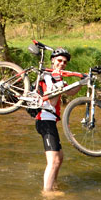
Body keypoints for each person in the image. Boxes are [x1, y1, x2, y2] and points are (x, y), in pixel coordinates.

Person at [35, 48, 81, 192]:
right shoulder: (48, 76)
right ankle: (47, 193)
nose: (62, 64)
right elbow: (53, 102)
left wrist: (81, 82)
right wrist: (58, 86)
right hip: (44, 119)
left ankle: (53, 185)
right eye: (59, 60)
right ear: (53, 61)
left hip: (50, 121)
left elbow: (70, 91)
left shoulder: (58, 78)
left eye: (65, 62)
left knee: (59, 157)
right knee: (53, 160)